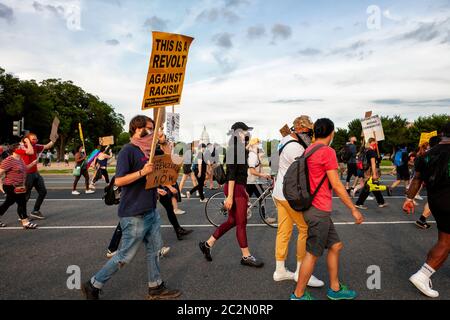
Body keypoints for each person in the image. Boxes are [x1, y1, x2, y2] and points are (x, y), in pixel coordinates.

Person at [82, 115, 181, 300]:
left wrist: (164, 141)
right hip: (135, 213)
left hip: (150, 209)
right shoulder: (129, 150)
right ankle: (94, 284)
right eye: (150, 128)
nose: (153, 131)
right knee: (124, 255)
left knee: (154, 249)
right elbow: (119, 180)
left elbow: (169, 159)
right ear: (137, 129)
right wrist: (143, 172)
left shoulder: (150, 150)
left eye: (154, 128)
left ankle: (156, 287)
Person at [291, 118, 364, 300]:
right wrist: (353, 209)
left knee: (336, 245)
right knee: (313, 253)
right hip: (318, 210)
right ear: (331, 133)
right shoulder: (327, 151)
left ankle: (335, 288)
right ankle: (298, 295)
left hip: (312, 207)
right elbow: (337, 185)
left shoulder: (309, 149)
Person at [199, 122, 264, 268]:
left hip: (238, 188)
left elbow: (241, 175)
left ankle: (207, 244)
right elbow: (232, 175)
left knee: (233, 221)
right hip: (234, 188)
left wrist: (244, 191)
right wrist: (229, 197)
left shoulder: (240, 149)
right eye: (244, 132)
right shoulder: (234, 149)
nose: (247, 134)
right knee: (241, 223)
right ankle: (246, 256)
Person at [272, 116, 324, 287]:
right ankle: (302, 273)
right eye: (309, 131)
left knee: (284, 231)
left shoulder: (285, 140)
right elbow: (308, 169)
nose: (310, 134)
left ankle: (280, 270)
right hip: (290, 194)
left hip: (279, 192)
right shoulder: (295, 147)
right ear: (301, 129)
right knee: (305, 229)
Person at [403, 122, 450, 298]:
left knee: (443, 240)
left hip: (436, 202)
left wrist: (409, 199)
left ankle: (425, 272)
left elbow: (416, 180)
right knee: (445, 242)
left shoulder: (426, 155)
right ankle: (423, 275)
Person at [0, 141, 38, 229]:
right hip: (11, 186)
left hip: (19, 186)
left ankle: (25, 221)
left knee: (8, 203)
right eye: (21, 147)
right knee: (22, 202)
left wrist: (32, 164)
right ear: (16, 149)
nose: (24, 148)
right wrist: (0, 184)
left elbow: (25, 169)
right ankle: (25, 222)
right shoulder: (9, 160)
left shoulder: (20, 159)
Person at [21, 133, 57, 220]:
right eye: (33, 139)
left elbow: (47, 146)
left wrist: (54, 139)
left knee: (43, 191)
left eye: (36, 139)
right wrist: (26, 141)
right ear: (27, 139)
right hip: (27, 174)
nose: (35, 141)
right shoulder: (22, 146)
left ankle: (35, 211)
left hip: (35, 172)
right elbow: (30, 151)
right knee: (26, 195)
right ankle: (22, 215)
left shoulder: (35, 145)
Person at [414, 136, 442, 229]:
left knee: (432, 201)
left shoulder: (426, 155)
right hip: (439, 182)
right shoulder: (439, 154)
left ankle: (422, 219)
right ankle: (422, 219)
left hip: (430, 182)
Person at [355, 138, 388, 210]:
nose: (377, 144)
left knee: (374, 186)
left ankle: (381, 202)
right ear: (371, 142)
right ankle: (359, 203)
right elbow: (373, 164)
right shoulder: (371, 151)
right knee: (368, 187)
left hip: (366, 171)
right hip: (370, 171)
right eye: (375, 143)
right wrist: (374, 174)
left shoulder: (365, 150)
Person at [245, 137, 272, 221]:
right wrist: (263, 175)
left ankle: (241, 212)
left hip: (251, 180)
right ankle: (265, 217)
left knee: (244, 198)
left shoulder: (253, 153)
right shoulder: (252, 155)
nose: (260, 145)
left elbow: (258, 166)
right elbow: (252, 171)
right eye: (258, 143)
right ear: (254, 144)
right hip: (253, 181)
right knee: (262, 197)